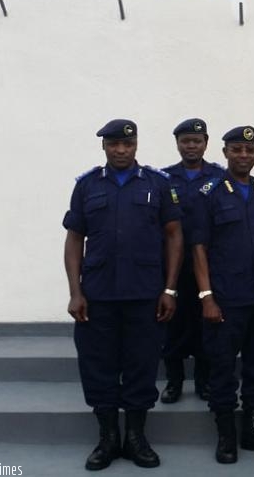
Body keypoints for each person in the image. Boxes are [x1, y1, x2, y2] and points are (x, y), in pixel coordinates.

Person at [62, 119, 182, 470]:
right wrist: (75, 291)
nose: (120, 150)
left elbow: (175, 235)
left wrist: (170, 288)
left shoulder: (157, 184)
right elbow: (73, 239)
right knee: (97, 367)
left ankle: (135, 437)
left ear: (136, 146)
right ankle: (108, 438)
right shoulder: (86, 186)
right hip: (97, 296)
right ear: (104, 147)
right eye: (113, 144)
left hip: (144, 295)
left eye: (126, 144)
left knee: (141, 366)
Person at [192, 125, 254, 464]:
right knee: (221, 368)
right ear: (225, 153)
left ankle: (253, 428)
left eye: (249, 150)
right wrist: (206, 296)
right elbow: (199, 248)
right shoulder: (210, 193)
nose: (243, 155)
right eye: (237, 150)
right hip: (226, 299)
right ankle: (226, 435)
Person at [160, 118, 225, 404]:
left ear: (206, 143)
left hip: (208, 265)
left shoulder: (220, 178)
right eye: (185, 141)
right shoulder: (163, 178)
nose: (191, 146)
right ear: (177, 144)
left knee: (205, 325)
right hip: (171, 266)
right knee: (171, 325)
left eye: (196, 141)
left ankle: (203, 380)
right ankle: (174, 382)